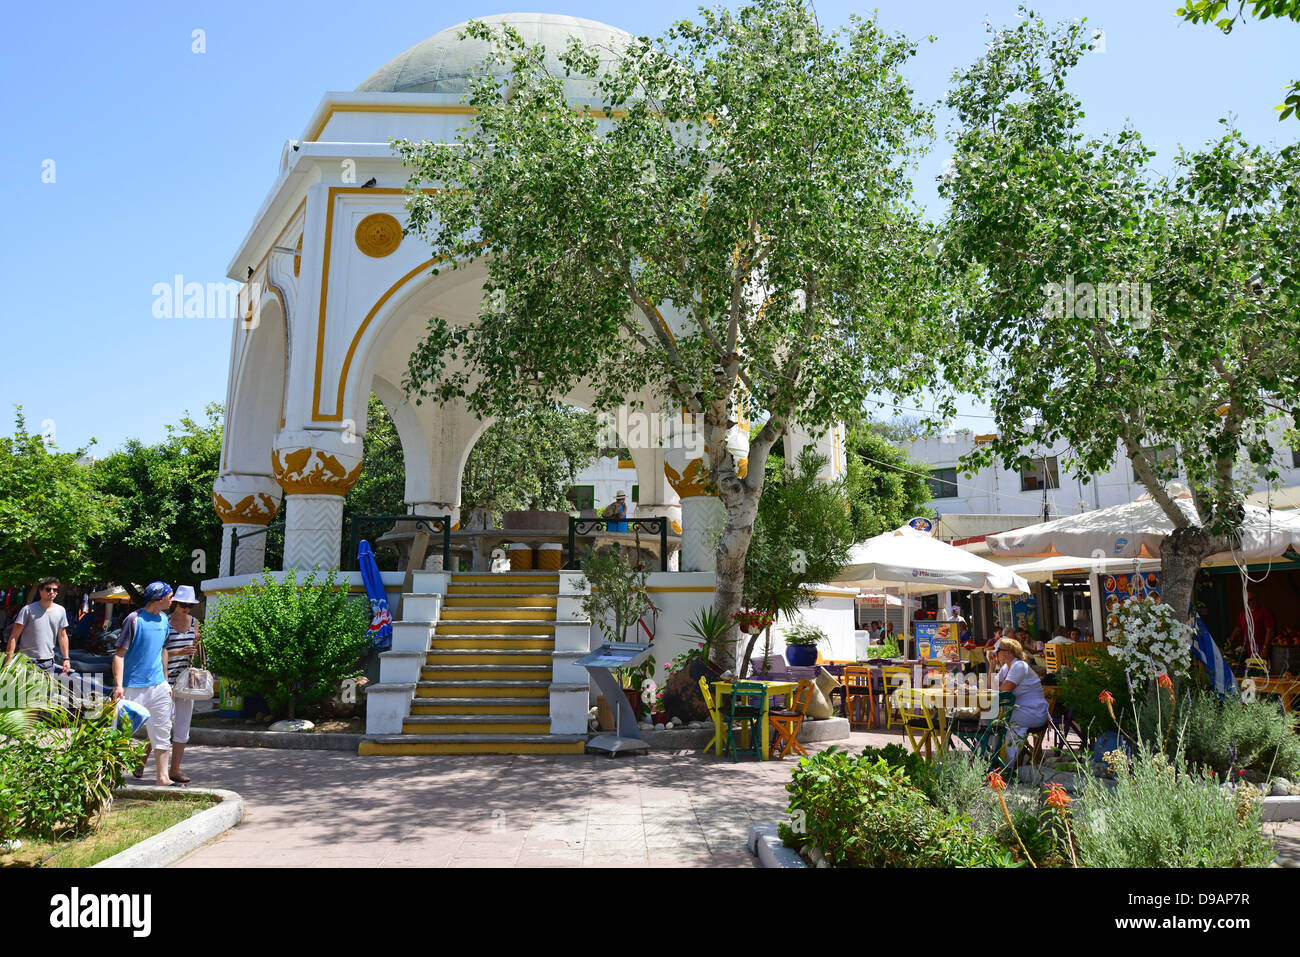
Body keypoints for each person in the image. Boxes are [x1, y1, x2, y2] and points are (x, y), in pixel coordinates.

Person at [112, 582, 175, 787]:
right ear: (159, 598)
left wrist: (166, 682)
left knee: (163, 730)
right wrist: (119, 685)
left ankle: (163, 778)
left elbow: (162, 651)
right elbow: (119, 654)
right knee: (121, 732)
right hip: (133, 686)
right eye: (170, 596)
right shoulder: (134, 619)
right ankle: (111, 777)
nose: (172, 600)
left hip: (158, 686)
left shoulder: (164, 620)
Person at [163, 585, 202, 784]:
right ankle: (142, 759)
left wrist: (195, 646)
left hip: (185, 681)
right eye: (182, 604)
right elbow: (159, 653)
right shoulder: (165, 622)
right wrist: (179, 652)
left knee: (183, 726)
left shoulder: (195, 622)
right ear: (175, 603)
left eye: (189, 605)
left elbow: (194, 653)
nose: (186, 608)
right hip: (165, 679)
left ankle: (175, 768)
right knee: (162, 723)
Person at [992, 637, 1050, 767]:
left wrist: (997, 685)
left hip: (1033, 712)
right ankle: (995, 759)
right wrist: (991, 667)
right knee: (990, 719)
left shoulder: (1019, 666)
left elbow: (1004, 691)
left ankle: (1006, 764)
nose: (996, 653)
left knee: (996, 720)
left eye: (998, 650)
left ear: (1010, 653)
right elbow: (992, 686)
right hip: (1022, 709)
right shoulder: (1007, 667)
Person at [4, 577, 71, 673]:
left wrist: (66, 659)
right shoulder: (28, 610)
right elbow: (14, 636)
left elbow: (62, 636)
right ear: (40, 591)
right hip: (28, 661)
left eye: (55, 590)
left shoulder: (61, 610)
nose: (52, 592)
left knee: (47, 688)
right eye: (48, 589)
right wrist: (9, 660)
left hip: (49, 662)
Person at [1229, 589, 1276, 657]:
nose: (1247, 602)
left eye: (1250, 600)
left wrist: (1266, 648)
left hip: (1263, 651)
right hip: (1249, 651)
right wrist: (1232, 639)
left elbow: (1270, 631)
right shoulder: (1243, 614)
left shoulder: (1264, 611)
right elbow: (1238, 627)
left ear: (1256, 599)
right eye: (1246, 600)